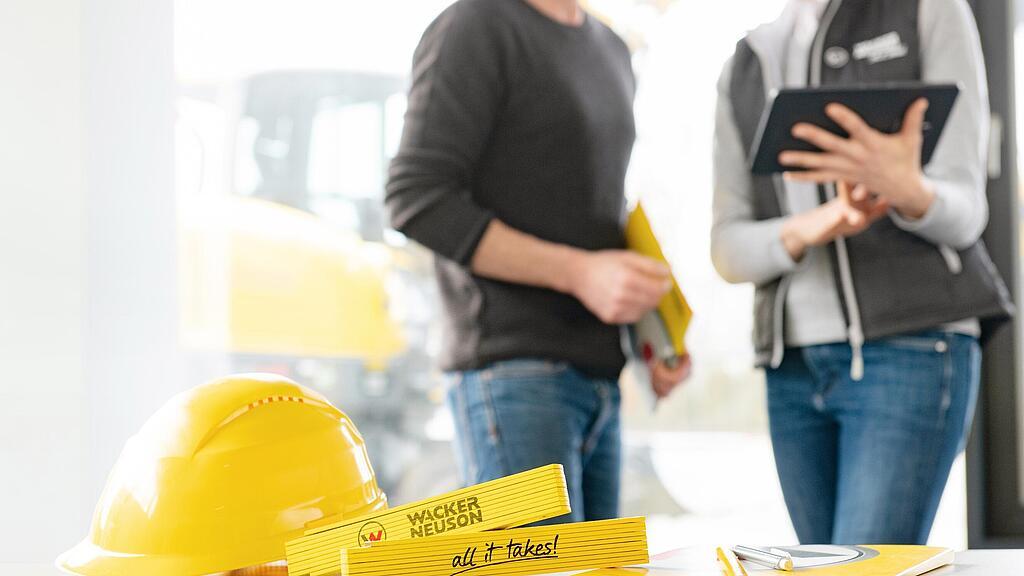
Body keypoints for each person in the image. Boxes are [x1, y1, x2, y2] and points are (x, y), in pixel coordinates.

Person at [712, 0, 1013, 544]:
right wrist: (818, 223)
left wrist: (909, 191)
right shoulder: (745, 62)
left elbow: (967, 212)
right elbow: (728, 249)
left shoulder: (927, 11)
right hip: (791, 369)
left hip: (912, 349)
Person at [386, 0, 690, 523]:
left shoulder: (610, 48)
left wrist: (652, 341)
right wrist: (579, 273)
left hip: (599, 378)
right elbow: (417, 198)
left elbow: (592, 213)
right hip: (512, 375)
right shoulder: (476, 25)